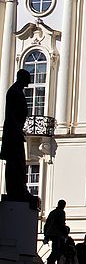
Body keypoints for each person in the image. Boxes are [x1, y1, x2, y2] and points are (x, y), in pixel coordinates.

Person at [1, 69, 33, 202]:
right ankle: (16, 190)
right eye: (28, 78)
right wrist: (17, 130)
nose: (29, 82)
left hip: (15, 130)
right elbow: (11, 114)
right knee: (15, 162)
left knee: (18, 162)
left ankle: (19, 189)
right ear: (22, 78)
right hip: (13, 133)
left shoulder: (16, 91)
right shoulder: (14, 91)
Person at [43, 199, 68, 264]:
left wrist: (46, 235)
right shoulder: (61, 212)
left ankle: (51, 261)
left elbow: (47, 224)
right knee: (56, 250)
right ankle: (51, 261)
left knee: (55, 249)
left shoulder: (52, 212)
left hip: (50, 233)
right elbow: (61, 223)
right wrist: (65, 233)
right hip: (57, 234)